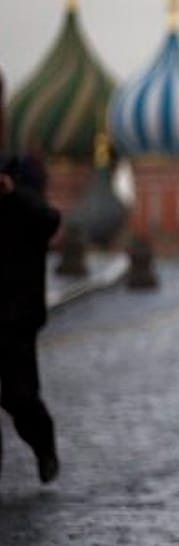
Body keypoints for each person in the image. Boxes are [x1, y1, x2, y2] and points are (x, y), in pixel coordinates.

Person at [0, 156, 63, 486]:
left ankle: (44, 448)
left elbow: (50, 219)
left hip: (16, 322)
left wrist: (13, 194)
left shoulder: (25, 207)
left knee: (20, 397)